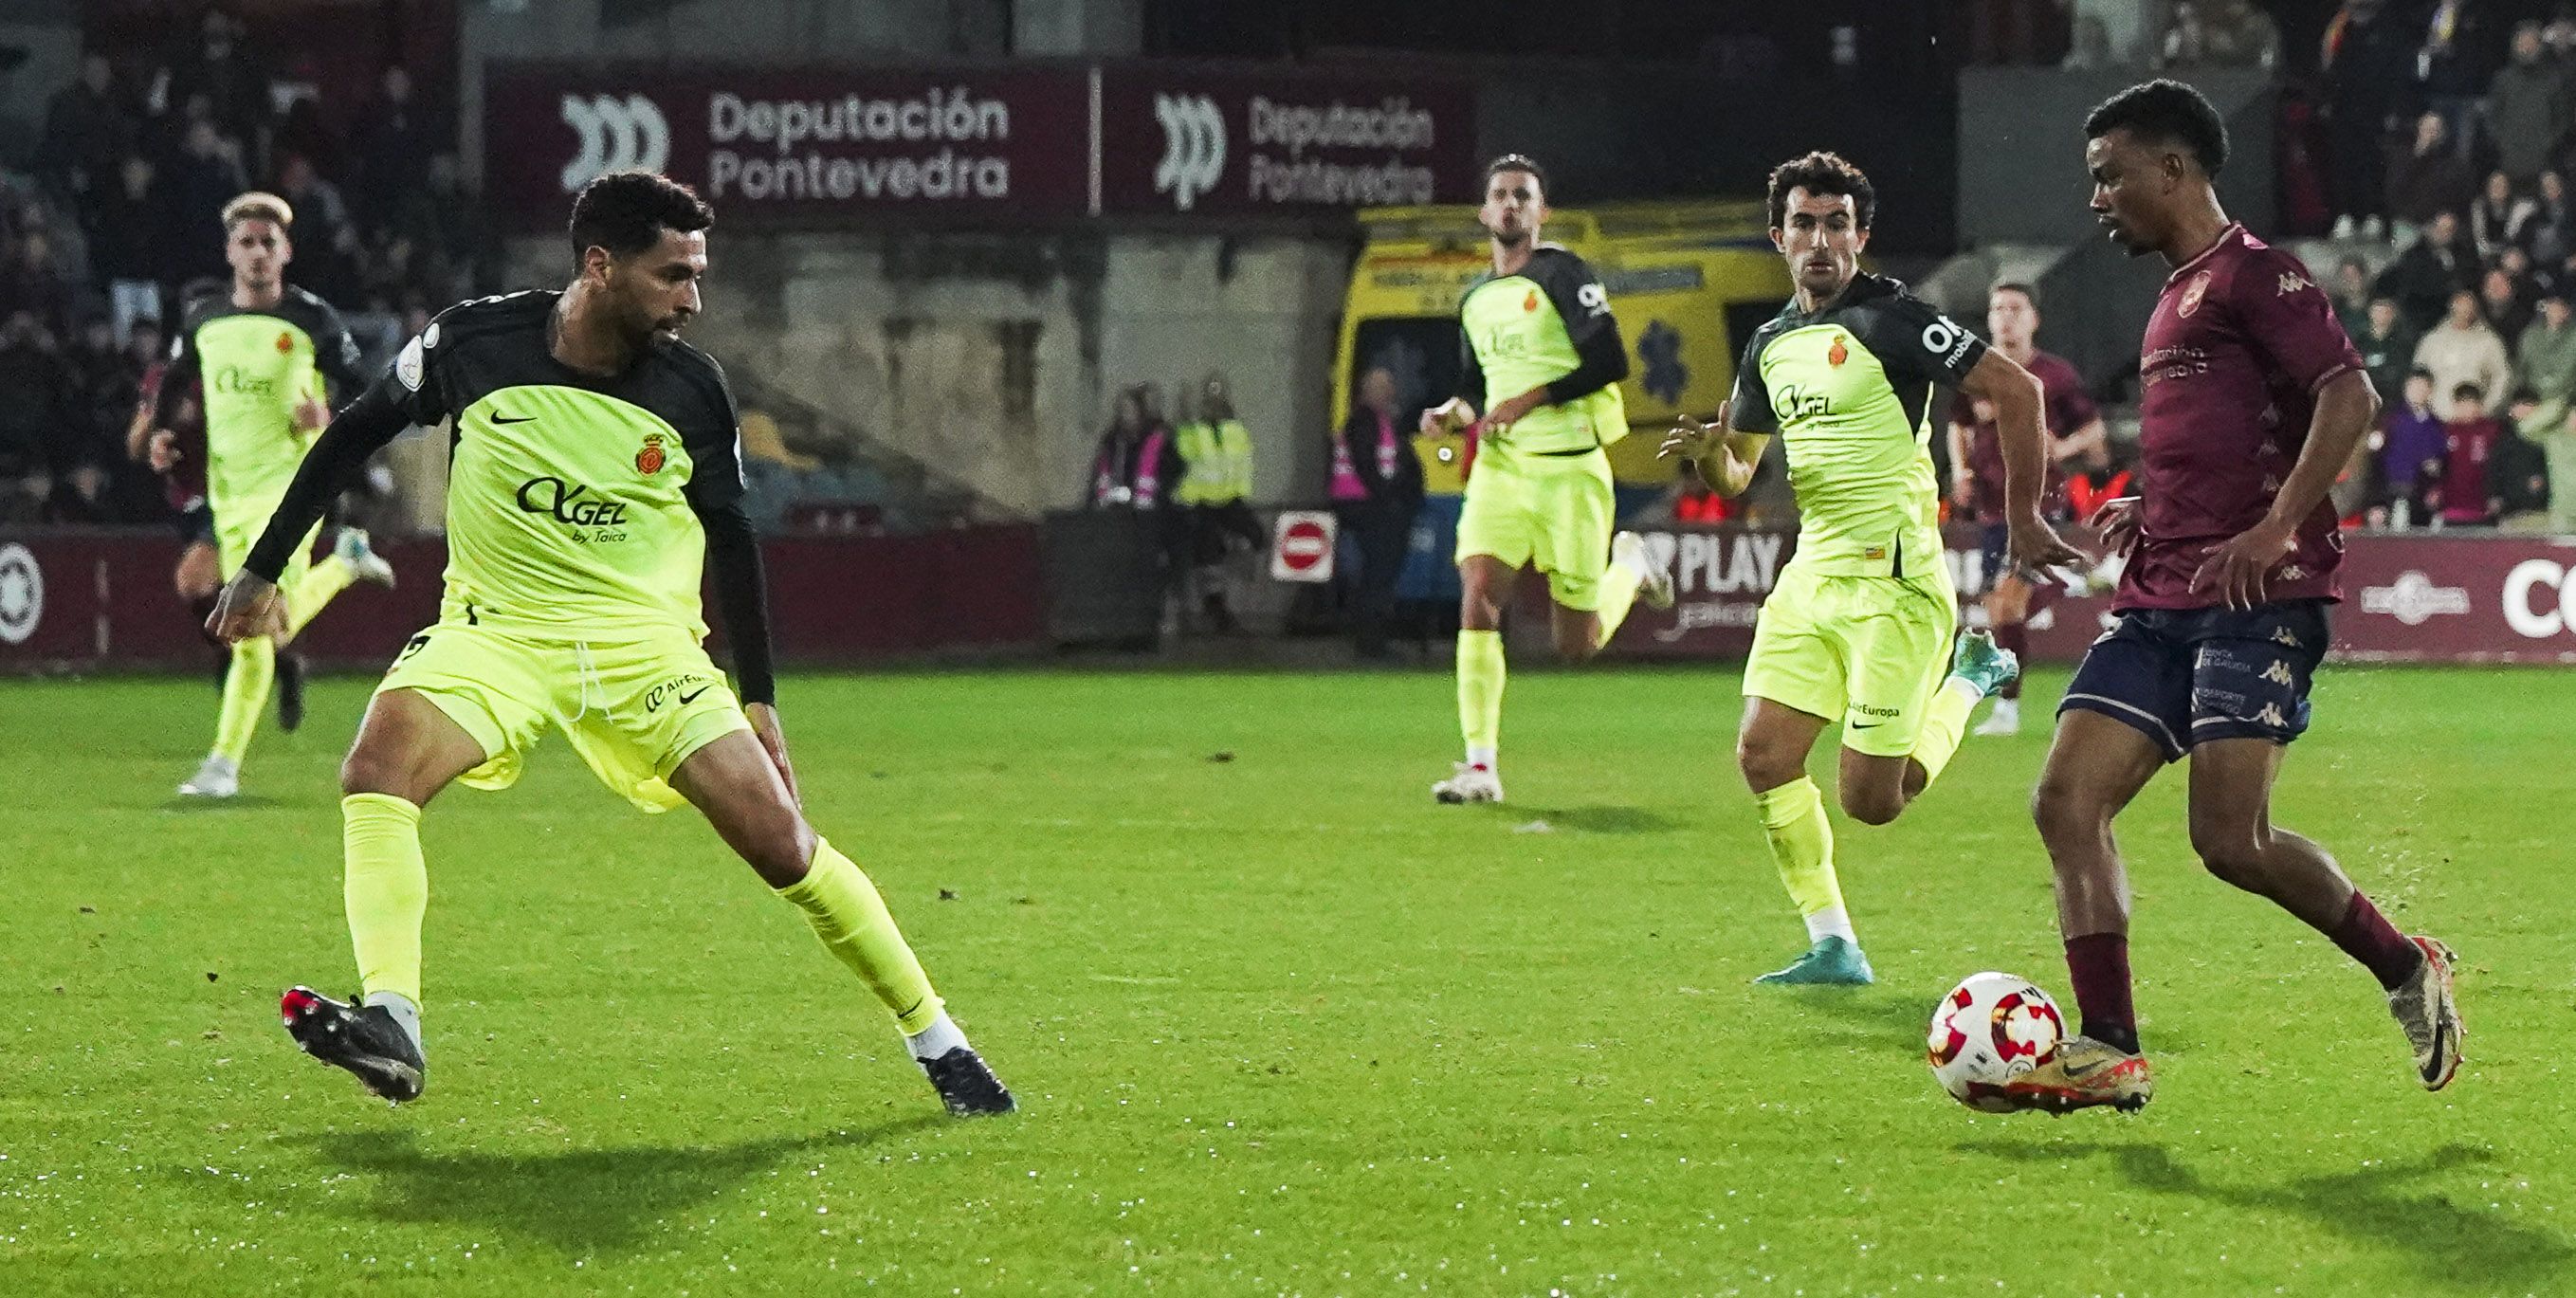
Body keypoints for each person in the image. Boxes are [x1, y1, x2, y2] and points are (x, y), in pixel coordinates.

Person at [202, 171, 1014, 1116]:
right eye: (673, 275)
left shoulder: (694, 390)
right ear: (600, 265)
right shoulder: (473, 341)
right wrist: (263, 568)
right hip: (496, 632)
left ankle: (940, 1042)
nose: (691, 300)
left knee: (783, 846)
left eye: (696, 275)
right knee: (374, 770)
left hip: (648, 651)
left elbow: (735, 538)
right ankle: (394, 1020)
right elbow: (353, 431)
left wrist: (760, 700)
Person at [2013, 80, 2457, 1114]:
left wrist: (2269, 526)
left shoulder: (2257, 274)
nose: (2096, 199)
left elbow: (2349, 395)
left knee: (2228, 842)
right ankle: (2108, 1044)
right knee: (2063, 800)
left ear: (2169, 170)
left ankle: (2403, 966)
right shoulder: (2173, 292)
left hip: (2258, 592)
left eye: (2106, 175)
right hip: (2163, 584)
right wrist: (2149, 501)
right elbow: (2215, 431)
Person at [1661, 152, 2081, 985]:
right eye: (1805, 225)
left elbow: (2019, 393)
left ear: (1860, 236)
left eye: (1837, 225)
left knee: (1872, 801)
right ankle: (1834, 943)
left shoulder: (1891, 320)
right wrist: (1709, 460)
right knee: (1762, 757)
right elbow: (1739, 470)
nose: (1820, 241)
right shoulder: (1770, 344)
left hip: (1891, 580)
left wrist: (2024, 518)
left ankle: (1969, 677)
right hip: (1810, 576)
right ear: (1778, 236)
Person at [1416, 155, 1673, 804]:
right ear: (1483, 212)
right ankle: (1480, 767)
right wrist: (1456, 413)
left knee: (1575, 642)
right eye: (1499, 195)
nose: (1509, 206)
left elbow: (1608, 358)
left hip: (1569, 469)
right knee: (1478, 592)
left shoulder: (1562, 272)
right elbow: (1478, 388)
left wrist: (1528, 400)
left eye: (1522, 196)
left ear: (1540, 212)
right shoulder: (1474, 298)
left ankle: (1633, 570)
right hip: (1503, 469)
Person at [157, 192, 394, 795]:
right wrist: (161, 433)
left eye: (269, 243)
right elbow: (176, 381)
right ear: (230, 252)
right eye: (247, 243)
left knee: (254, 626)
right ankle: (344, 565)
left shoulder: (311, 319)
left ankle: (222, 766)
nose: (258, 253)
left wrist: (328, 409)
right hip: (228, 492)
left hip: (292, 492)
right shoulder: (205, 321)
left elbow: (368, 387)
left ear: (286, 251)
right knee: (271, 628)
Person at [1945, 282, 2106, 737]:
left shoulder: (2053, 375)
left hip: (2040, 505)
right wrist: (1960, 470)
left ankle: (2006, 712)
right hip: (1993, 510)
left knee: (2008, 604)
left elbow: (2093, 429)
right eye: (1997, 308)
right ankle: (2070, 580)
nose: (2006, 317)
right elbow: (1958, 424)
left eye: (2015, 308)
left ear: (2034, 318)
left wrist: (2064, 446)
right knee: (2000, 611)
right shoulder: (1975, 372)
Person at [1335, 367, 1424, 657]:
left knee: (1381, 574)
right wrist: (1391, 501)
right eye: (1383, 388)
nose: (1390, 393)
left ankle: (1374, 639)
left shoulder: (1385, 421)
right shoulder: (1363, 422)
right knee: (1378, 574)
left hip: (1377, 507)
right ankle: (1371, 642)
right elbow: (1367, 467)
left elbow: (1405, 464)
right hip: (1367, 509)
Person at [1174, 373, 1263, 633]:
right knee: (1208, 548)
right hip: (1201, 501)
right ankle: (1216, 607)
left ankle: (1226, 598)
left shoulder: (1236, 430)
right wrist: (1186, 418)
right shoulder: (1193, 429)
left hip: (1229, 499)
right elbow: (1186, 455)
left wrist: (1240, 499)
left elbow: (1243, 464)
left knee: (1255, 535)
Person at [2411, 287, 2512, 417]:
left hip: (2474, 418)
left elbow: (2502, 377)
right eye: (2459, 307)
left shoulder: (2489, 341)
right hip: (2436, 417)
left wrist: (2487, 408)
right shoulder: (2433, 340)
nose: (2463, 312)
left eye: (2468, 308)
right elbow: (2418, 375)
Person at [2379, 368, 2447, 525]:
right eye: (2414, 387)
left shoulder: (2436, 426)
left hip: (2423, 496)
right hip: (2393, 492)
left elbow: (2442, 460)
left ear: (2431, 391)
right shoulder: (2391, 420)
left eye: (2423, 388)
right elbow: (2378, 460)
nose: (2418, 392)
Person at [2432, 381, 2503, 525]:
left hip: (2483, 510)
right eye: (2463, 404)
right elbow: (2439, 466)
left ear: (2480, 405)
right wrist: (2436, 490)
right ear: (2455, 405)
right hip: (2451, 509)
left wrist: (2496, 495)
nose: (2468, 409)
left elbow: (2500, 466)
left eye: (2472, 404)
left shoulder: (2493, 431)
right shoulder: (2445, 431)